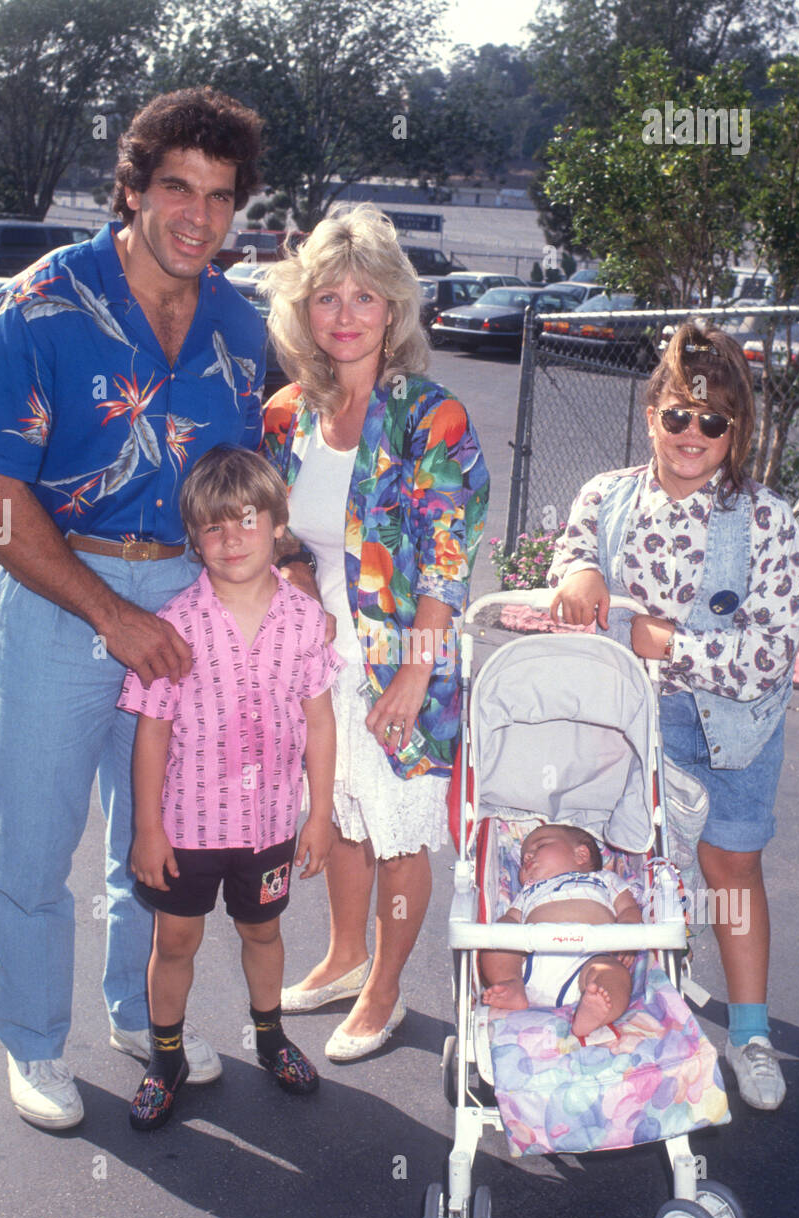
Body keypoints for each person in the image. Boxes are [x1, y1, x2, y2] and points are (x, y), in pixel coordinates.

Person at [0, 87, 266, 1129]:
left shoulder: (238, 322)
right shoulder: (32, 308)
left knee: (161, 834)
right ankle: (35, 1043)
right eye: (176, 186)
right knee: (31, 842)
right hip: (56, 590)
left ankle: (140, 1014)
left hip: (185, 592)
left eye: (219, 196)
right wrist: (108, 615)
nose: (197, 214)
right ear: (129, 190)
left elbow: (252, 482)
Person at [547, 320, 799, 1109]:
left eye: (713, 421)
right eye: (677, 416)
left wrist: (670, 644)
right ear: (651, 412)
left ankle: (753, 1032)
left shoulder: (766, 523)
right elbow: (568, 547)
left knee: (729, 868)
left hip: (730, 729)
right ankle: (647, 998)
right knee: (635, 863)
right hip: (629, 721)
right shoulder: (608, 495)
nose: (692, 435)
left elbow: (767, 654)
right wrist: (581, 569)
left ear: (735, 431)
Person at [261, 204, 489, 1060]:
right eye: (327, 297)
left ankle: (387, 989)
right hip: (316, 663)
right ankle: (346, 955)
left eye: (364, 296)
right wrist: (294, 589)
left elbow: (445, 564)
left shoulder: (431, 419)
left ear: (392, 309)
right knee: (342, 813)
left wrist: (411, 679)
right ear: (303, 312)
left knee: (394, 829)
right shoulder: (286, 415)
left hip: (403, 661)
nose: (346, 314)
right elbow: (279, 533)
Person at [117, 447, 340, 1129]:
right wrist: (148, 829)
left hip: (269, 824)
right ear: (194, 539)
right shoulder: (175, 624)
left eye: (247, 519)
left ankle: (270, 1039)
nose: (232, 537)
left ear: (277, 523)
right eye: (214, 527)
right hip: (187, 828)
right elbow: (151, 731)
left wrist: (319, 814)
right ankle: (165, 1058)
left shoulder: (305, 620)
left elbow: (320, 722)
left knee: (262, 932)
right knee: (174, 941)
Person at [480, 824, 642, 1040]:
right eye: (523, 857)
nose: (527, 855)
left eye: (540, 846)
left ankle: (593, 1013)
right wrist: (503, 928)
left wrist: (627, 935)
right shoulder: (529, 891)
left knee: (614, 975)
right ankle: (512, 984)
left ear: (581, 854)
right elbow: (512, 918)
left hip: (589, 962)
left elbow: (629, 909)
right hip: (531, 963)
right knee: (496, 942)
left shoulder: (604, 879)